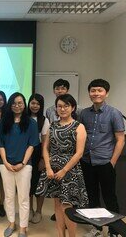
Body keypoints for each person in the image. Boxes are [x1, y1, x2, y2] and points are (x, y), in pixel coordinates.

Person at [36, 94, 88, 237]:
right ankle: (60, 235)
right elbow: (45, 148)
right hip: (53, 170)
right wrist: (48, 167)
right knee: (57, 205)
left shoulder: (79, 126)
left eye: (66, 106)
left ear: (73, 108)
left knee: (68, 207)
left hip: (69, 171)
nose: (63, 109)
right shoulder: (52, 125)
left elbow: (79, 153)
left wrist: (64, 170)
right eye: (59, 106)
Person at [79, 79, 125, 237]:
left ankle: (114, 230)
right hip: (87, 161)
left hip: (105, 162)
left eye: (100, 90)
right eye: (93, 90)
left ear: (106, 93)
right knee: (92, 197)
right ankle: (96, 228)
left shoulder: (114, 113)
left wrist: (112, 162)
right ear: (89, 93)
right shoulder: (84, 113)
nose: (96, 93)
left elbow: (120, 139)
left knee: (110, 197)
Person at [0, 92, 39, 237]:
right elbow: (0, 144)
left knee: (23, 197)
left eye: (20, 103)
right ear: (10, 104)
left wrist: (22, 163)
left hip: (25, 165)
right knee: (8, 196)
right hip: (5, 164)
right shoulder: (3, 122)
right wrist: (6, 162)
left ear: (24, 104)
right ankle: (11, 223)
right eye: (14, 103)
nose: (17, 106)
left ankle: (22, 227)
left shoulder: (31, 123)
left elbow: (32, 145)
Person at [28, 93, 49, 224]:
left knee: (39, 184)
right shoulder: (24, 117)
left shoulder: (44, 120)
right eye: (32, 103)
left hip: (38, 154)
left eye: (37, 104)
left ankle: (39, 211)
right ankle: (29, 209)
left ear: (41, 106)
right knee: (27, 184)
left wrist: (43, 159)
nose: (34, 106)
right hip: (25, 154)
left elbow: (46, 142)